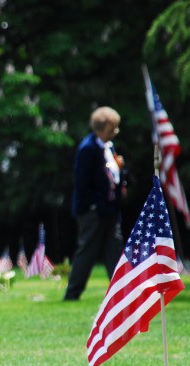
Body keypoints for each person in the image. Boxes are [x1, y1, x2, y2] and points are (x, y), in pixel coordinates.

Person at [64, 106, 127, 301]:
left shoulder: (108, 146)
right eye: (112, 128)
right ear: (100, 129)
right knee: (87, 251)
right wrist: (97, 205)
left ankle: (122, 293)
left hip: (111, 210)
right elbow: (83, 182)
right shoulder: (88, 149)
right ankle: (72, 293)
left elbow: (111, 174)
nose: (115, 132)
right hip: (92, 211)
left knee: (115, 251)